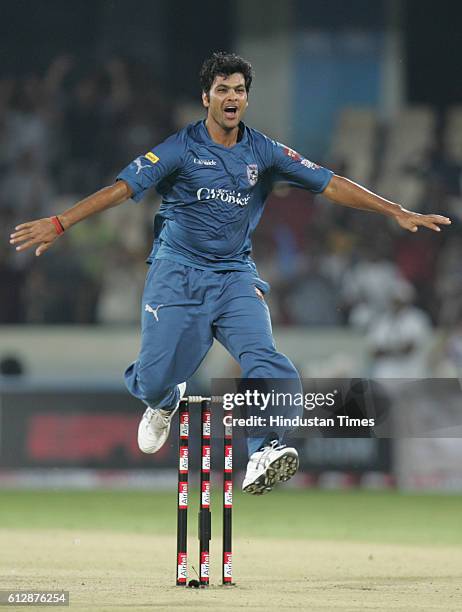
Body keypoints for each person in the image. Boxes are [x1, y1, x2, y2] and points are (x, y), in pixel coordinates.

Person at [10, 52, 451, 494]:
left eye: (239, 90)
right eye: (222, 89)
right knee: (154, 377)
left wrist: (394, 210)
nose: (232, 97)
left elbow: (329, 182)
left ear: (246, 98)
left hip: (234, 277)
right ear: (206, 97)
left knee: (268, 360)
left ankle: (264, 450)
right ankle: (162, 401)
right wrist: (60, 222)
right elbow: (122, 189)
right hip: (176, 272)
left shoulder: (264, 151)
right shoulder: (179, 148)